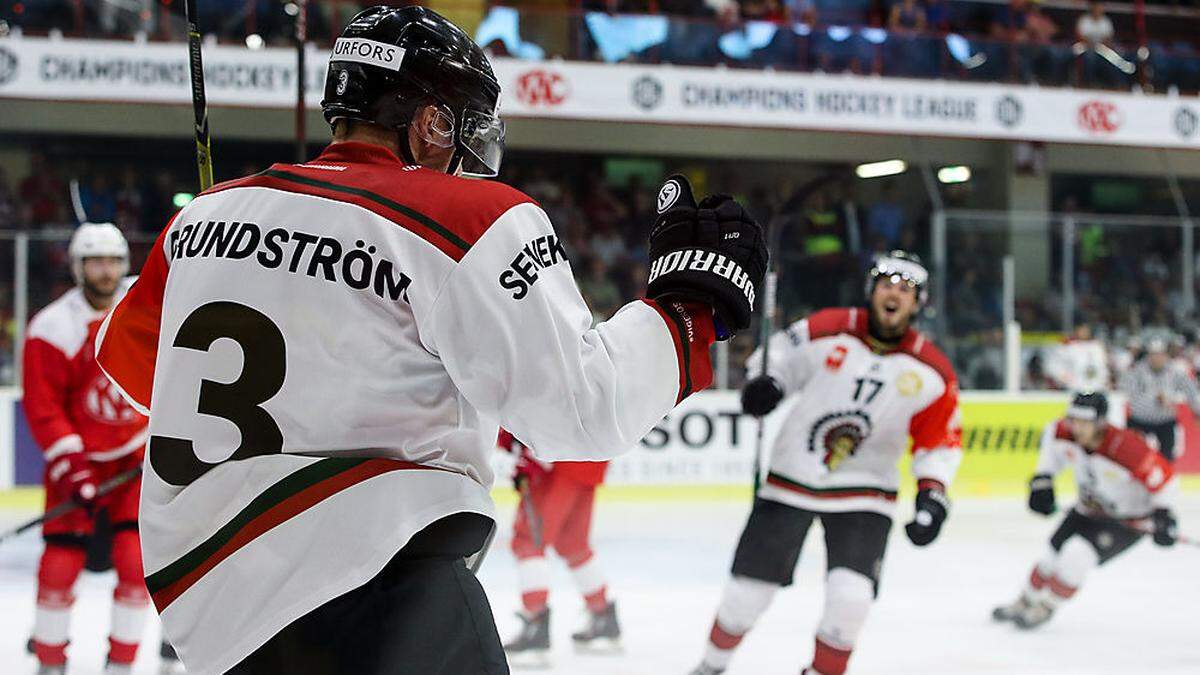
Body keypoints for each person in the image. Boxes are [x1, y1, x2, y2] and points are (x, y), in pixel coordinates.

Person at [93, 6, 768, 674]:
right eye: (464, 121)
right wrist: (687, 313)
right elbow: (585, 410)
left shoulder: (202, 220)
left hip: (211, 612)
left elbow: (130, 362)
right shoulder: (467, 215)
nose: (471, 143)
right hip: (377, 591)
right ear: (429, 121)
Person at [690, 251, 962, 675]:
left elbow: (940, 440)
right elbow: (778, 356)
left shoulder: (932, 372)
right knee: (746, 596)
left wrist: (933, 492)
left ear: (918, 304)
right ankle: (709, 667)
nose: (895, 294)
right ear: (872, 291)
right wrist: (768, 385)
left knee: (851, 599)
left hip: (866, 491)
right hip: (792, 476)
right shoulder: (828, 327)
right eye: (888, 284)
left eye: (906, 289)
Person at [23, 223, 149, 675]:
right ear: (78, 267)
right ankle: (51, 663)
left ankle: (121, 664)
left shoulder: (142, 307)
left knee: (137, 566)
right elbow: (43, 407)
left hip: (134, 459)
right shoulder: (52, 327)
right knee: (59, 568)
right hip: (77, 466)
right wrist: (74, 470)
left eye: (114, 260)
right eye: (96, 261)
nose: (106, 270)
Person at [992, 391, 1178, 629]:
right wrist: (1043, 481)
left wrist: (1164, 515)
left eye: (1084, 422)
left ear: (1100, 422)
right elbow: (1051, 456)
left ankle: (1047, 606)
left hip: (1125, 520)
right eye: (1073, 419)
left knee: (1077, 556)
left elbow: (1166, 482)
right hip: (1087, 510)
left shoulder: (1127, 447)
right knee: (1050, 556)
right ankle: (1026, 600)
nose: (1076, 427)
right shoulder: (1062, 432)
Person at [497, 429, 619, 666]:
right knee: (572, 544)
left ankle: (535, 624)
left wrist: (521, 445)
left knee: (529, 541)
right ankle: (603, 616)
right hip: (589, 455)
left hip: (556, 455)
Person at [1118, 337, 1200, 462]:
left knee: (1167, 458)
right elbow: (1126, 391)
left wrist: (1197, 411)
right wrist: (1155, 398)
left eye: (1160, 354)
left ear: (1166, 355)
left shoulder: (1175, 371)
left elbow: (1191, 391)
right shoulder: (1136, 371)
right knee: (1132, 457)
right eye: (1153, 354)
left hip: (1165, 420)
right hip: (1140, 420)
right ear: (1148, 355)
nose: (1157, 358)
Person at [1045, 323, 1109, 392]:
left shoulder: (1097, 347)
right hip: (1074, 389)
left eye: (1086, 330)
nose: (1084, 332)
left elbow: (1104, 367)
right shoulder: (1068, 347)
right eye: (1082, 330)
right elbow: (1053, 366)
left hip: (1097, 388)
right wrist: (1064, 377)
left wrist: (1104, 381)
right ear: (1076, 330)